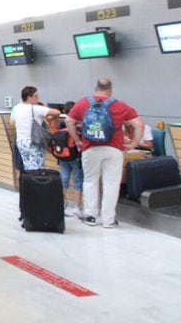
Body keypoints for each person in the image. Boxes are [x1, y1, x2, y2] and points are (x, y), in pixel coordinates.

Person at [65, 78, 143, 229]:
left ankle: (90, 216)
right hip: (114, 149)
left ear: (96, 88)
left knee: (90, 181)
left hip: (90, 148)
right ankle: (108, 220)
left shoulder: (83, 103)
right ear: (110, 90)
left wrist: (77, 140)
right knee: (111, 184)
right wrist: (133, 143)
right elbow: (139, 124)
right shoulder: (120, 105)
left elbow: (69, 121)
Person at [10, 86, 59, 172]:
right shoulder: (35, 108)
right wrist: (50, 119)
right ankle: (37, 184)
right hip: (33, 141)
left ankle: (30, 184)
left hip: (21, 141)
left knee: (28, 166)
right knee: (37, 168)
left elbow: (12, 123)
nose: (38, 98)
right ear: (29, 97)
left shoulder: (17, 108)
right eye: (36, 96)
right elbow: (57, 112)